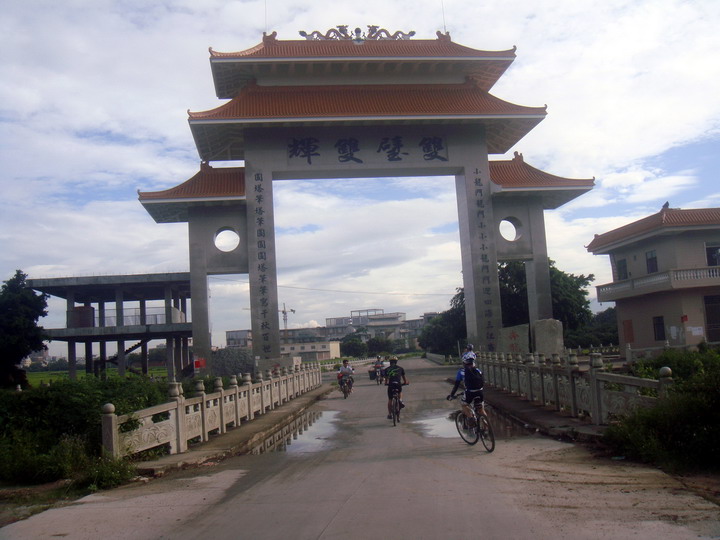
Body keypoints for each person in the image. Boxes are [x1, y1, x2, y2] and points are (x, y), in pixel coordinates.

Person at [447, 344, 485, 426]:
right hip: (480, 392)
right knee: (481, 409)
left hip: (470, 393)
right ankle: (486, 425)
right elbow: (482, 380)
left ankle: (471, 418)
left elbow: (456, 385)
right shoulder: (478, 370)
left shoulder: (461, 372)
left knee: (464, 405)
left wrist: (452, 395)